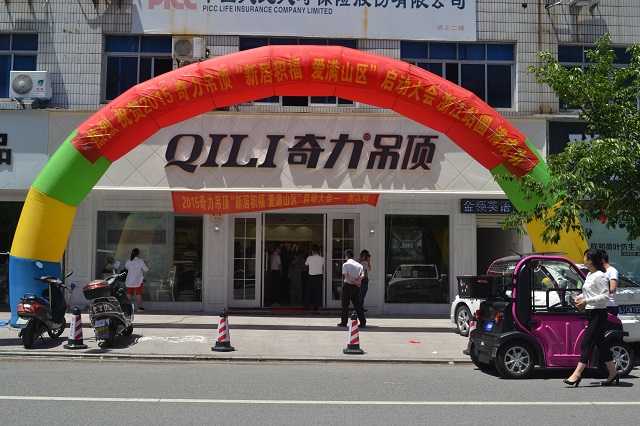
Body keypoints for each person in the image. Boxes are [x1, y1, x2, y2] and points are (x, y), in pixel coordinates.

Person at [563, 248, 618, 387]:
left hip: (599, 314)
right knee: (601, 344)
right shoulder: (590, 274)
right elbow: (590, 292)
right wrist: (580, 297)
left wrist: (586, 301)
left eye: (585, 257)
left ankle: (577, 374)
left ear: (590, 261)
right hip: (591, 313)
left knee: (585, 343)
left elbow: (605, 296)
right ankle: (613, 373)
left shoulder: (600, 276)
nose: (583, 259)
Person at [338, 249, 366, 328]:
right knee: (357, 305)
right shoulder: (359, 265)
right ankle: (363, 321)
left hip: (348, 286)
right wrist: (357, 281)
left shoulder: (346, 265)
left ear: (346, 256)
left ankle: (344, 322)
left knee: (345, 304)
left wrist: (353, 281)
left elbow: (346, 275)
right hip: (356, 287)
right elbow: (363, 275)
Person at [304, 244, 324, 311]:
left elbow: (306, 264)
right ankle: (316, 306)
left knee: (308, 292)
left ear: (312, 251)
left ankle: (307, 306)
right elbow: (323, 266)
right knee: (318, 292)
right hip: (319, 276)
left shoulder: (309, 258)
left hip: (311, 276)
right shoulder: (322, 258)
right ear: (318, 251)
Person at [601, 249, 619, 316]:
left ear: (602, 260)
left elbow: (612, 289)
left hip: (610, 306)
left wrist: (597, 295)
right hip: (601, 305)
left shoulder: (612, 271)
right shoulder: (599, 271)